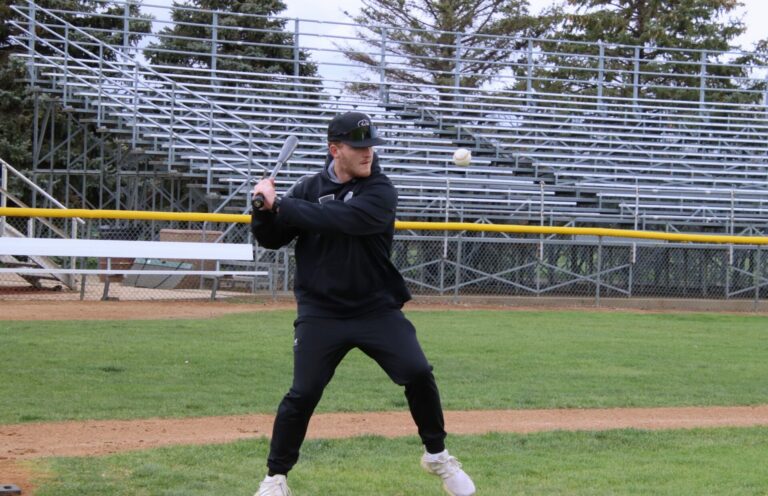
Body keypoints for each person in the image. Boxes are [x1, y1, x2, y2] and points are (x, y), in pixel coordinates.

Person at [250, 111, 476, 496]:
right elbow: (272, 239)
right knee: (303, 393)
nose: (368, 153)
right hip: (321, 312)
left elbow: (342, 219)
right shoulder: (306, 189)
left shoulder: (380, 191)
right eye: (358, 147)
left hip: (376, 308)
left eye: (371, 145)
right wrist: (261, 208)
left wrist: (281, 205)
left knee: (418, 372)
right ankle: (275, 479)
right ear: (335, 149)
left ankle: (437, 455)